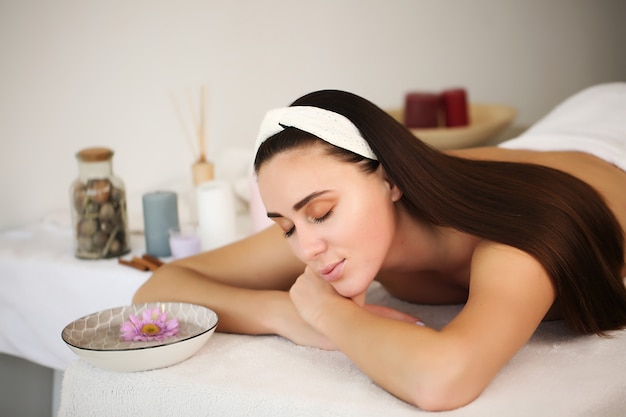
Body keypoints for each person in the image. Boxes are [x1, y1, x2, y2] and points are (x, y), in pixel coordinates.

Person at [133, 83, 626, 411]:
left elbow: (442, 379)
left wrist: (332, 316)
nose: (305, 247)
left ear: (391, 181)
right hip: (536, 148)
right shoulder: (331, 232)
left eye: (321, 212)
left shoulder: (513, 239)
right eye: (285, 225)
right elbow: (161, 288)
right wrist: (287, 313)